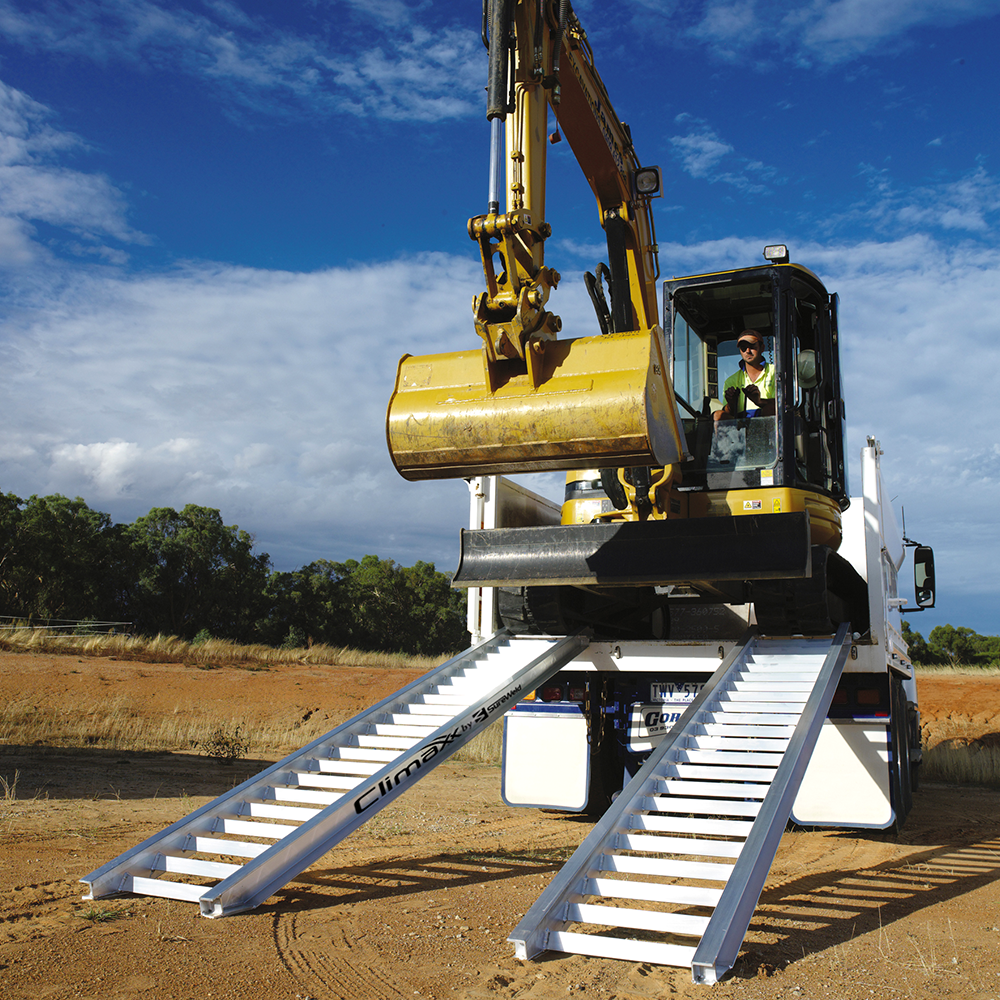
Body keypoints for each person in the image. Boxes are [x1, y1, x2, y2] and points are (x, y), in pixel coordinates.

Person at [713, 329, 776, 421]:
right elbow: (728, 413)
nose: (748, 351)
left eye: (752, 346)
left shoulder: (775, 372)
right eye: (743, 347)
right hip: (739, 427)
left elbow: (783, 405)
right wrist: (731, 403)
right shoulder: (731, 380)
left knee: (769, 409)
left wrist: (759, 401)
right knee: (717, 415)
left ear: (762, 348)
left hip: (766, 426)